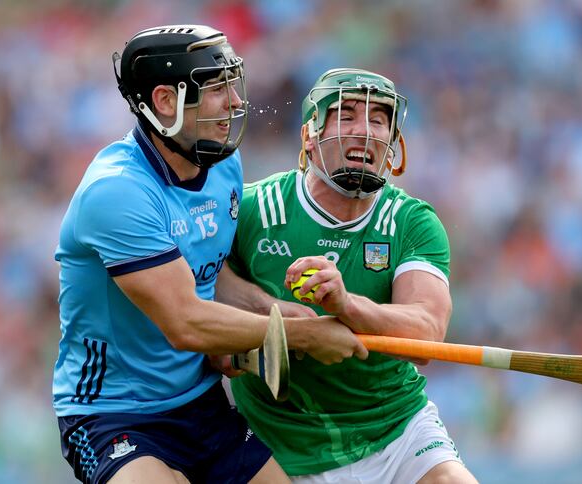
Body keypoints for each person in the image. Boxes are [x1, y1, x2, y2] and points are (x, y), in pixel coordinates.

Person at [52, 27, 367, 484]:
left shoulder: (222, 165)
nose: (236, 102)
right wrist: (303, 337)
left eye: (232, 85)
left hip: (200, 403)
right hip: (113, 414)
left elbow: (207, 273)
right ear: (165, 101)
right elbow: (185, 322)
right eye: (217, 89)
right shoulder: (117, 191)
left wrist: (273, 309)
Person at [219, 68, 478, 483]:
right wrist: (271, 320)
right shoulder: (251, 210)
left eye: (378, 119)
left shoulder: (411, 222)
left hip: (397, 429)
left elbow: (427, 334)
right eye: (346, 115)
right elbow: (204, 285)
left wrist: (346, 304)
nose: (366, 131)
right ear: (309, 135)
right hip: (283, 447)